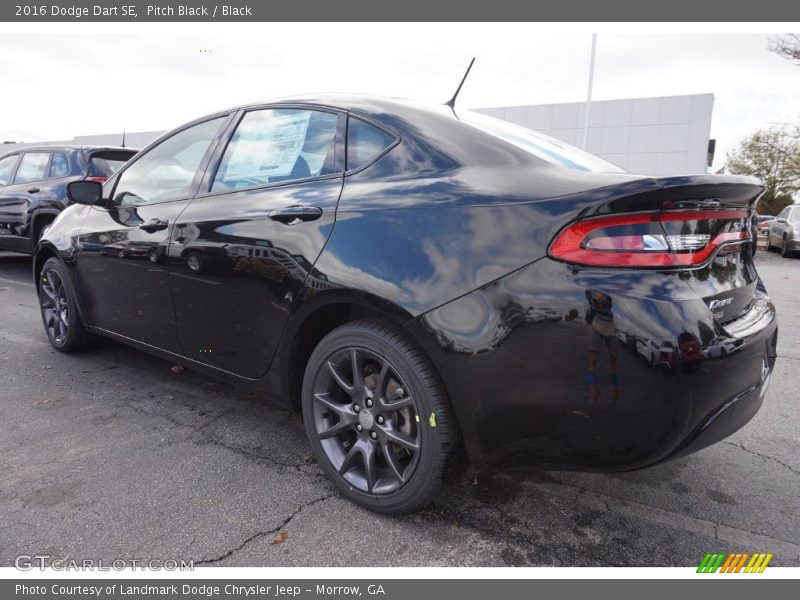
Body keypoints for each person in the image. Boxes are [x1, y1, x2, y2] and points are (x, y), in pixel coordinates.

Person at [585, 289, 620, 403]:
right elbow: (588, 294)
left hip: (611, 323)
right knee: (592, 359)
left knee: (614, 357)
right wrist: (596, 299)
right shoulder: (590, 286)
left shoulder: (610, 288)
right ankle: (593, 389)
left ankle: (616, 388)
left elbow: (609, 301)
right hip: (595, 322)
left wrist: (601, 300)